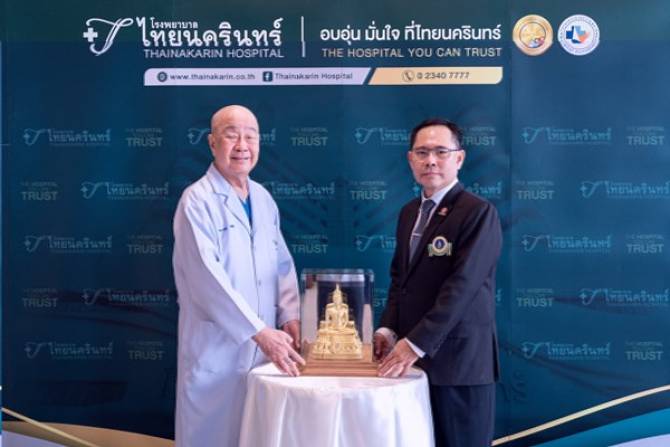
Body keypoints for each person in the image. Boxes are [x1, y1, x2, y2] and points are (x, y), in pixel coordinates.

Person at [172, 105, 305, 447]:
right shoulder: (197, 200)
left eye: (250, 136)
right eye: (231, 135)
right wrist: (258, 332)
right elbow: (206, 279)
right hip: (216, 352)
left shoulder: (262, 198)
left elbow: (281, 264)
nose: (242, 145)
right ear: (212, 143)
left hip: (265, 353)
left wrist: (290, 315)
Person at [374, 118, 502, 447]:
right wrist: (388, 330)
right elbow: (400, 280)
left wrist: (415, 343)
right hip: (411, 367)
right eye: (422, 152)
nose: (431, 160)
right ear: (410, 159)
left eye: (441, 152)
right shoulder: (408, 212)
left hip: (459, 366)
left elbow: (462, 288)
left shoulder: (478, 212)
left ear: (459, 158)